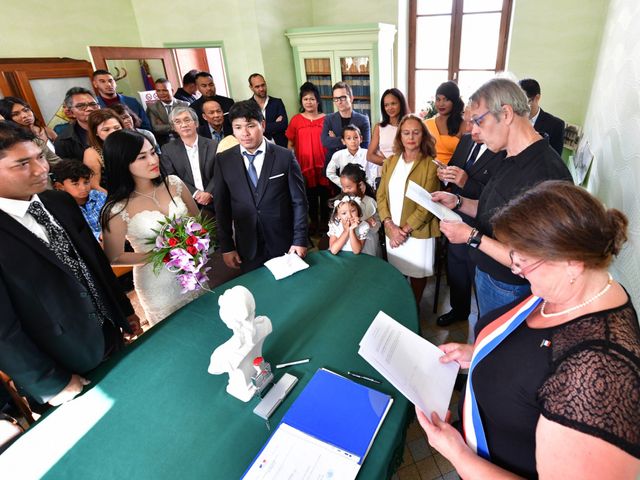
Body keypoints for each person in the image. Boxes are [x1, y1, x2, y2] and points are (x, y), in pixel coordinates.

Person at [417, 180, 640, 479]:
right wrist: (479, 352)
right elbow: (534, 358)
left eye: (524, 261)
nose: (515, 269)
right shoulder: (577, 288)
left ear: (571, 263)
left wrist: (457, 454)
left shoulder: (600, 376)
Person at [0, 122, 141, 406]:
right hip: (62, 362)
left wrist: (123, 310)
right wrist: (50, 382)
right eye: (23, 163)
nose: (41, 169)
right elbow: (3, 330)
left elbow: (94, 262)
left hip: (109, 332)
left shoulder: (58, 201)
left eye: (39, 156)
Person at [431, 78, 573, 327]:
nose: (474, 131)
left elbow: (529, 259)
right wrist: (458, 202)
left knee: (494, 346)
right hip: (487, 270)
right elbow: (492, 209)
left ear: (506, 113)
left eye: (479, 120)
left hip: (509, 286)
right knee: (483, 331)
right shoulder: (508, 156)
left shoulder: (547, 174)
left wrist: (470, 236)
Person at [101, 130, 204, 327]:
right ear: (122, 162)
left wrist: (191, 244)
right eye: (142, 157)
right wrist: (162, 255)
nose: (152, 160)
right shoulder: (116, 208)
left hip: (191, 272)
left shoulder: (174, 183)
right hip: (157, 284)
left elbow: (196, 220)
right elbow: (113, 257)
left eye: (153, 152)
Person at [213, 100, 308, 273]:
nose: (245, 133)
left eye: (250, 125)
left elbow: (299, 202)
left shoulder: (284, 157)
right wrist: (227, 246)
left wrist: (300, 240)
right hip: (248, 246)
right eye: (238, 127)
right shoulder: (223, 160)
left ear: (262, 125)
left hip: (284, 242)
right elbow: (222, 207)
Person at [435, 111, 505, 328]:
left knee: (479, 273)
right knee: (456, 266)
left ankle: (485, 322)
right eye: (468, 121)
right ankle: (459, 309)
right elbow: (455, 168)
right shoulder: (465, 141)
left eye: (476, 122)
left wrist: (466, 182)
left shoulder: (501, 149)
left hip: (483, 223)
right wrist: (445, 174)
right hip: (457, 214)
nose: (470, 128)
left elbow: (498, 196)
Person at [377, 114, 440, 305]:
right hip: (392, 230)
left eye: (416, 132)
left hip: (417, 232)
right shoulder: (390, 162)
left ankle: (414, 308)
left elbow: (427, 206)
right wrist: (390, 226)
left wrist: (403, 231)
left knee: (417, 275)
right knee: (397, 272)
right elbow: (381, 196)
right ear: (400, 137)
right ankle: (400, 305)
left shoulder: (430, 165)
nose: (411, 137)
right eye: (406, 133)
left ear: (423, 136)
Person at [285, 82, 330, 234]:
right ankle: (313, 222)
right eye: (305, 99)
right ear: (301, 102)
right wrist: (292, 163)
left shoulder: (327, 119)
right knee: (308, 195)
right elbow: (290, 143)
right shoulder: (296, 120)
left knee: (325, 193)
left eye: (312, 99)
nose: (309, 102)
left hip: (324, 163)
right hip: (303, 165)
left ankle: (324, 221)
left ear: (318, 101)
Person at [161, 106, 217, 215]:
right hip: (186, 201)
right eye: (178, 122)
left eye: (187, 120)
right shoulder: (167, 149)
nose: (184, 125)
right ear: (173, 127)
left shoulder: (213, 145)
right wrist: (195, 193)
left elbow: (219, 172)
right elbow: (170, 176)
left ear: (196, 123)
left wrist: (208, 193)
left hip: (214, 199)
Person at [51, 160, 107, 241]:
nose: (83, 188)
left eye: (86, 182)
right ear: (60, 186)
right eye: (75, 184)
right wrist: (100, 236)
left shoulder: (100, 196)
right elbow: (76, 236)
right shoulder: (61, 209)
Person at [321, 81, 371, 166]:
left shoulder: (363, 120)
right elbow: (325, 141)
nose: (339, 102)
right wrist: (352, 140)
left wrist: (336, 139)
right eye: (336, 98)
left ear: (351, 98)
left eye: (342, 98)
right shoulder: (329, 119)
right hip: (334, 166)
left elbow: (364, 146)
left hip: (356, 166)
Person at [339, 163, 381, 257]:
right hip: (346, 242)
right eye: (343, 187)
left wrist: (370, 223)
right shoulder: (342, 202)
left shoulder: (370, 202)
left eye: (349, 187)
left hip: (366, 244)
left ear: (361, 186)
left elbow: (377, 224)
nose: (345, 191)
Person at [367, 88, 409, 174]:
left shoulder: (409, 126)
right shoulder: (379, 127)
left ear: (401, 103)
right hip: (385, 171)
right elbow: (370, 156)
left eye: (393, 103)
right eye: (386, 105)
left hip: (405, 170)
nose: (390, 108)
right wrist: (389, 162)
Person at [519, 78, 566, 155]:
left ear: (537, 98)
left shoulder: (556, 125)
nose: (520, 107)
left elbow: (555, 161)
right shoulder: (511, 119)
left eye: (525, 102)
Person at [54, 87, 101, 162]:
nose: (89, 109)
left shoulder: (114, 127)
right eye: (81, 106)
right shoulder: (63, 141)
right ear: (71, 113)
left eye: (93, 104)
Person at [424, 81, 465, 165]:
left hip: (452, 172)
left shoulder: (463, 125)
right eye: (438, 99)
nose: (441, 104)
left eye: (446, 100)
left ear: (454, 101)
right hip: (428, 170)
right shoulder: (426, 124)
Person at [84, 109, 125, 192]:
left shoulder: (132, 143)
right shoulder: (92, 152)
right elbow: (94, 185)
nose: (113, 132)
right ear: (96, 132)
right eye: (106, 130)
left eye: (117, 128)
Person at [326, 124, 376, 189]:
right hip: (346, 191)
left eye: (356, 137)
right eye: (348, 138)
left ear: (361, 139)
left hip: (367, 189)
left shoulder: (368, 154)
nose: (353, 141)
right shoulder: (338, 155)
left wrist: (367, 185)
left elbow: (374, 172)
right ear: (343, 141)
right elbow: (329, 172)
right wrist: (343, 184)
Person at [247, 73, 288, 147]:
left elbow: (283, 125)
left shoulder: (277, 102)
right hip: (258, 147)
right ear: (251, 87)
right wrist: (274, 124)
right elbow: (249, 129)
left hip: (280, 146)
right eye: (257, 87)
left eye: (263, 85)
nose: (261, 89)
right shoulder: (247, 106)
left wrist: (258, 127)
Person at [146, 78, 189, 146]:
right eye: (158, 91)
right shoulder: (152, 108)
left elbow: (188, 125)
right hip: (165, 144)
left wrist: (164, 125)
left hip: (186, 141)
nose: (161, 93)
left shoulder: (184, 105)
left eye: (164, 90)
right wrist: (176, 126)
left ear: (172, 90)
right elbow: (156, 128)